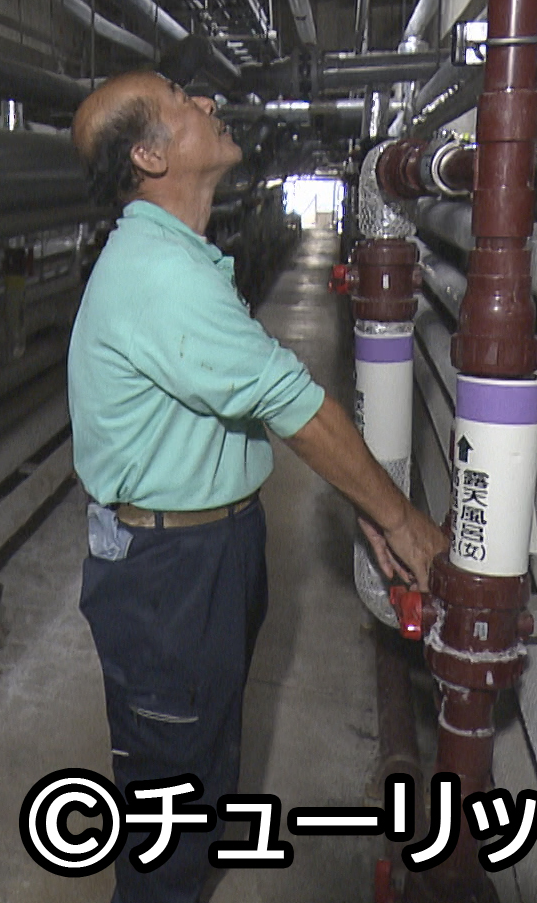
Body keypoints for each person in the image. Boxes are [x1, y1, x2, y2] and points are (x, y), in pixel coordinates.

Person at [67, 72, 448, 902]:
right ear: (150, 156)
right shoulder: (157, 275)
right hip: (170, 576)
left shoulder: (179, 258)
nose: (207, 104)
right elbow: (292, 403)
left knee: (202, 769)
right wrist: (398, 518)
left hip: (206, 550)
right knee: (169, 806)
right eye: (182, 101)